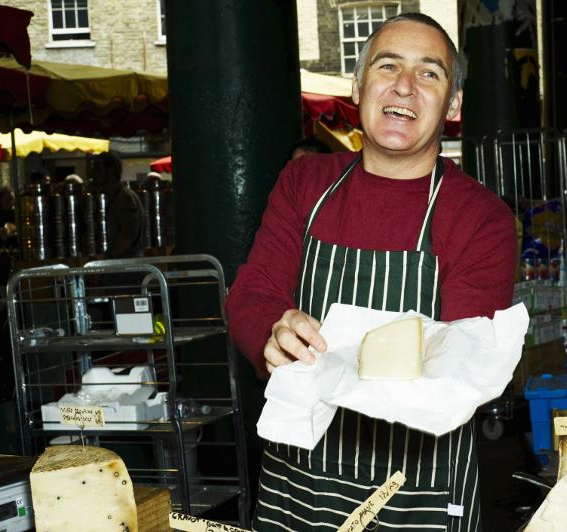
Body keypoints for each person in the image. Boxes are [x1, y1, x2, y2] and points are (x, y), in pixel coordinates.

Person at [226, 13, 515, 531]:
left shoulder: (481, 218)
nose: (405, 85)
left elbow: (464, 359)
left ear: (453, 105)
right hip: (298, 479)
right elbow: (255, 291)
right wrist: (272, 330)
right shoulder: (304, 183)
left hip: (420, 490)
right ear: (359, 86)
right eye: (388, 66)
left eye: (430, 73)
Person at [90, 151, 145, 259]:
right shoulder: (116, 197)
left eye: (97, 168)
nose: (93, 173)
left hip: (127, 267)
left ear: (111, 171)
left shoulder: (125, 198)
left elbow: (128, 237)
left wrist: (109, 260)